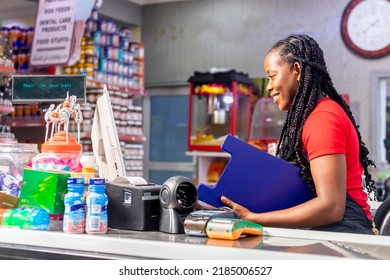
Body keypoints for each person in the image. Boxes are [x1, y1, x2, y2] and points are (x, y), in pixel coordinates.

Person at [221, 34, 377, 234]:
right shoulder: (314, 115)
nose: (268, 86)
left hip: (345, 232)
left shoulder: (323, 118)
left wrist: (254, 219)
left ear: (296, 70)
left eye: (272, 75)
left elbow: (331, 208)